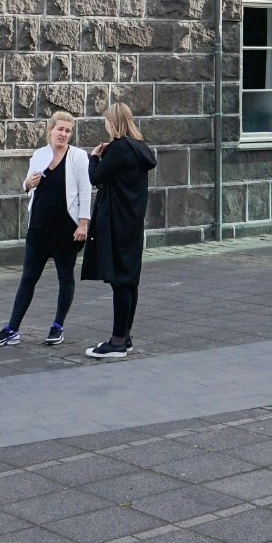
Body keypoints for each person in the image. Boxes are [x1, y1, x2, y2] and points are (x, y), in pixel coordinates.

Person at [0, 110, 92, 348]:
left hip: (67, 230)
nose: (63, 134)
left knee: (65, 278)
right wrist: (27, 183)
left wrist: (84, 223)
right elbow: (26, 184)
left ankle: (57, 326)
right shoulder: (39, 155)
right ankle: (12, 328)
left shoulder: (78, 157)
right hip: (39, 228)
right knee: (28, 279)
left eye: (68, 130)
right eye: (60, 129)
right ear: (50, 130)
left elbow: (86, 191)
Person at [81, 100, 158, 360]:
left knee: (120, 283)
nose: (104, 124)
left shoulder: (119, 148)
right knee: (129, 281)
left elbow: (96, 177)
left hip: (116, 223)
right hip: (132, 223)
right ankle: (124, 338)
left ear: (113, 122)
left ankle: (116, 342)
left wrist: (94, 157)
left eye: (106, 120)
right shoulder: (139, 147)